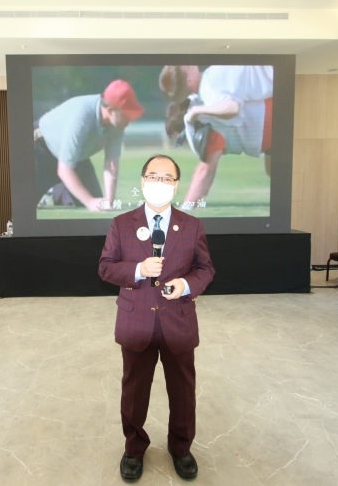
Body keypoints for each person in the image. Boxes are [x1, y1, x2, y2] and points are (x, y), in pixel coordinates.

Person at [99, 155, 215, 481]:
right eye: (153, 176)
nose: (159, 183)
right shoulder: (122, 224)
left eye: (167, 178)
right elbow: (106, 267)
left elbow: (205, 269)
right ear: (142, 181)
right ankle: (134, 449)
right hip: (136, 322)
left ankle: (181, 447)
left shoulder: (192, 226)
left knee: (183, 391)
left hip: (178, 322)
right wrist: (138, 269)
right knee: (134, 392)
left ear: (176, 186)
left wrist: (186, 285)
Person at [159, 65, 273, 206]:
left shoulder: (207, 115)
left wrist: (186, 208)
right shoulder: (208, 90)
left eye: (181, 140)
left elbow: (205, 172)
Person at [34, 79, 144, 212]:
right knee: (23, 203)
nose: (130, 119)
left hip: (76, 158)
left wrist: (109, 200)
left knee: (96, 199)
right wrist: (89, 201)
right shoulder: (82, 116)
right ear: (110, 111)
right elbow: (64, 169)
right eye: (126, 114)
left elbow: (111, 163)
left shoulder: (117, 125)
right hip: (40, 149)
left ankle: (55, 194)